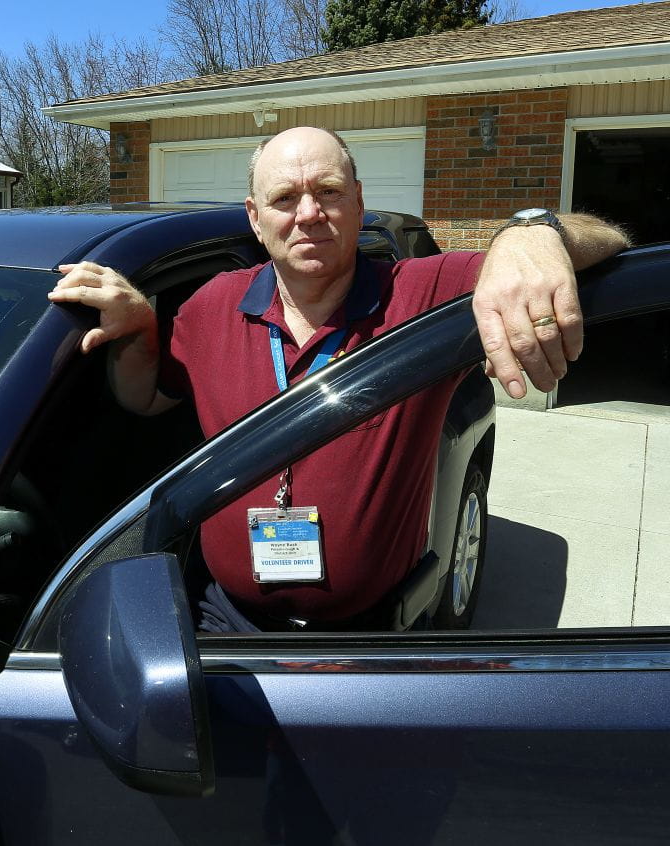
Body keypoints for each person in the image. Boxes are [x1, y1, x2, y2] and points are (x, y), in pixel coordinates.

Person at [48, 126, 630, 631]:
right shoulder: (209, 307)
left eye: (328, 192)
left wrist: (533, 235)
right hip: (225, 625)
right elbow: (147, 398)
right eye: (284, 197)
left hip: (369, 638)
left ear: (358, 202)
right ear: (255, 218)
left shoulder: (424, 294)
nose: (308, 213)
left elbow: (612, 244)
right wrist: (140, 331)